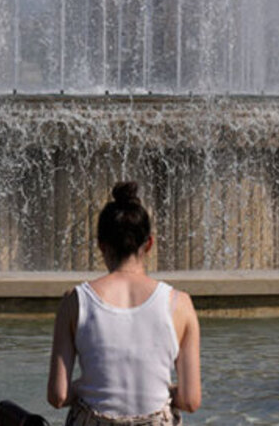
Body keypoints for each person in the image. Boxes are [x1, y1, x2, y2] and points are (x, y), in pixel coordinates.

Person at [47, 181, 201, 425]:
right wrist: (165, 391)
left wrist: (89, 387)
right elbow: (191, 401)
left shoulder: (75, 301)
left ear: (101, 245)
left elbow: (58, 396)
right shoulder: (180, 303)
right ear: (149, 244)